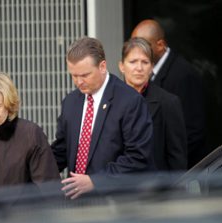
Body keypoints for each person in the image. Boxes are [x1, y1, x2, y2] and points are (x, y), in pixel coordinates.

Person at [51, 36, 155, 199]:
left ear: (102, 66)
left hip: (117, 204)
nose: (79, 82)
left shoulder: (130, 101)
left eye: (85, 75)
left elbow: (138, 157)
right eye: (74, 75)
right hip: (78, 203)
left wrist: (96, 181)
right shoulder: (70, 102)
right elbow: (62, 150)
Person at [131, 19, 206, 168]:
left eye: (143, 45)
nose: (138, 50)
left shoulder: (183, 75)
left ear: (160, 45)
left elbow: (193, 131)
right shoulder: (141, 73)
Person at [119, 37, 187, 172]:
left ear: (151, 67)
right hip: (116, 188)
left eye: (145, 62)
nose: (139, 68)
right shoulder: (109, 100)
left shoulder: (168, 103)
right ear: (122, 66)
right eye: (133, 62)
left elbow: (177, 159)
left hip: (155, 188)